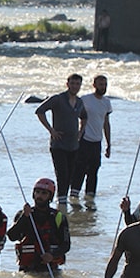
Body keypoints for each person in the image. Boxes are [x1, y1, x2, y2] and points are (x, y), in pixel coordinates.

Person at [35, 73, 85, 211]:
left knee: (70, 175)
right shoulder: (58, 99)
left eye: (77, 84)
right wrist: (51, 130)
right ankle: (61, 203)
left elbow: (84, 117)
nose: (75, 86)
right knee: (61, 174)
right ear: (67, 84)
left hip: (73, 145)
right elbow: (39, 111)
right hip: (58, 145)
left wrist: (80, 132)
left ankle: (65, 201)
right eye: (73, 83)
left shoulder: (80, 102)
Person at [7, 178, 70, 274]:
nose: (39, 196)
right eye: (37, 192)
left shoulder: (58, 217)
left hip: (51, 269)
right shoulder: (23, 214)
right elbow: (12, 236)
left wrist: (52, 255)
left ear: (50, 197)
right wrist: (24, 217)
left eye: (44, 193)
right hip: (27, 270)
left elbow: (66, 245)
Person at [72, 74, 112, 210]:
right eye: (100, 84)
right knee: (79, 169)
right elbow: (74, 117)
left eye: (105, 84)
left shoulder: (106, 102)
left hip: (97, 141)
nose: (103, 87)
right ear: (94, 85)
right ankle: (74, 197)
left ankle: (90, 200)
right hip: (84, 139)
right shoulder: (85, 100)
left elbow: (106, 123)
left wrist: (109, 144)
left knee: (94, 171)